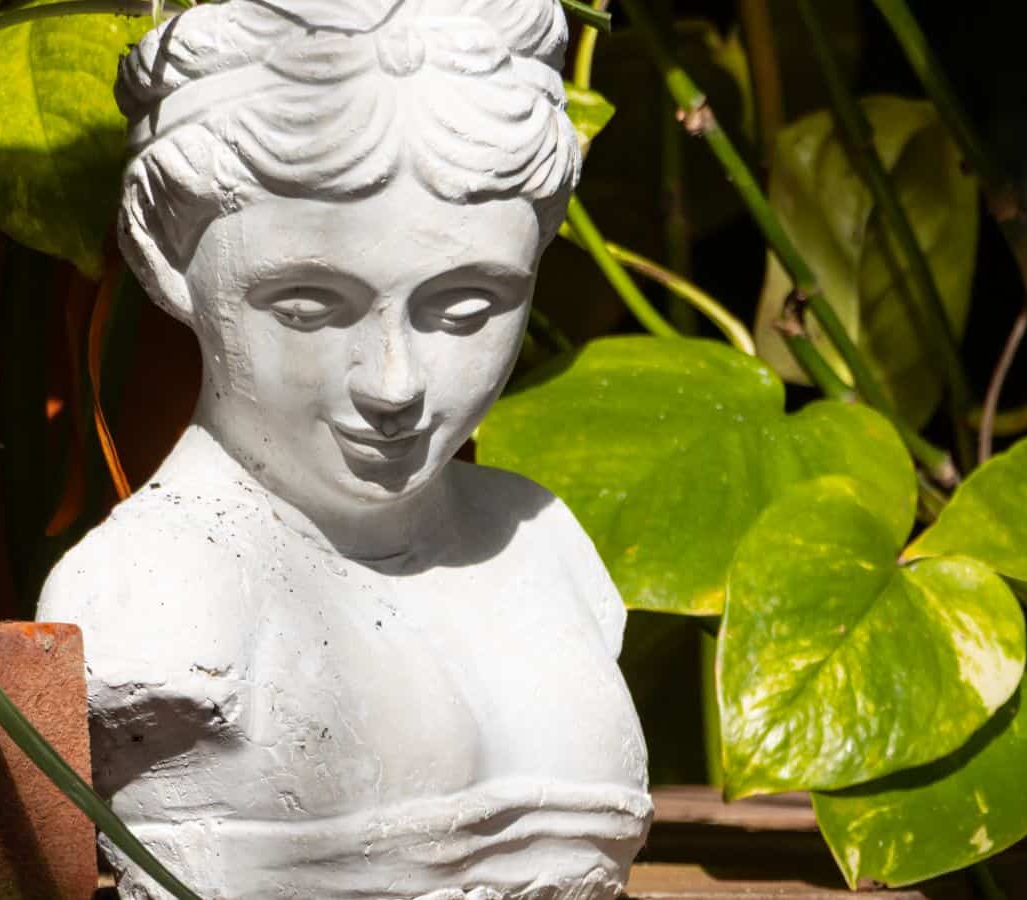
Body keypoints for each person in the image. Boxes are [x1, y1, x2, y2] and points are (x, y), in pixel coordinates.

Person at [37, 1, 653, 897]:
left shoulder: (543, 543)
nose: (394, 384)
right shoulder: (152, 604)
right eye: (307, 308)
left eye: (467, 307)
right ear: (165, 260)